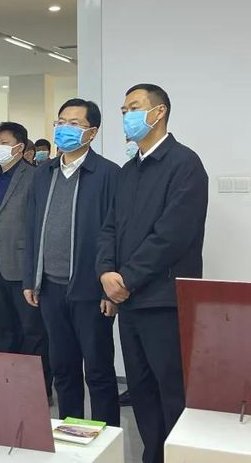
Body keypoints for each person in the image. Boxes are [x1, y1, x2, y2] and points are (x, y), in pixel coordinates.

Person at [97, 84, 208, 463]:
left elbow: (172, 236)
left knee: (171, 390)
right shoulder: (129, 171)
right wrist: (105, 274)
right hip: (129, 303)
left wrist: (125, 279)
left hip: (164, 300)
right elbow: (109, 228)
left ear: (159, 112)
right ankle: (152, 457)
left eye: (134, 107)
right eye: (123, 109)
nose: (126, 115)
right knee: (141, 390)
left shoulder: (185, 164)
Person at [23, 99, 120, 426]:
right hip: (50, 288)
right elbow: (32, 228)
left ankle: (104, 439)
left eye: (75, 124)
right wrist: (30, 278)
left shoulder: (108, 174)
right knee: (63, 368)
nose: (65, 128)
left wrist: (109, 290)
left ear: (92, 133)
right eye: (61, 122)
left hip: (91, 290)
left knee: (98, 371)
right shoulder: (43, 173)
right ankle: (71, 435)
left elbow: (117, 234)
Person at [0, 122, 53, 400]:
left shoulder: (36, 177)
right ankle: (8, 382)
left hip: (22, 264)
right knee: (1, 327)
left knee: (32, 329)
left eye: (3, 143)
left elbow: (40, 223)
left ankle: (38, 388)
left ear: (19, 147)